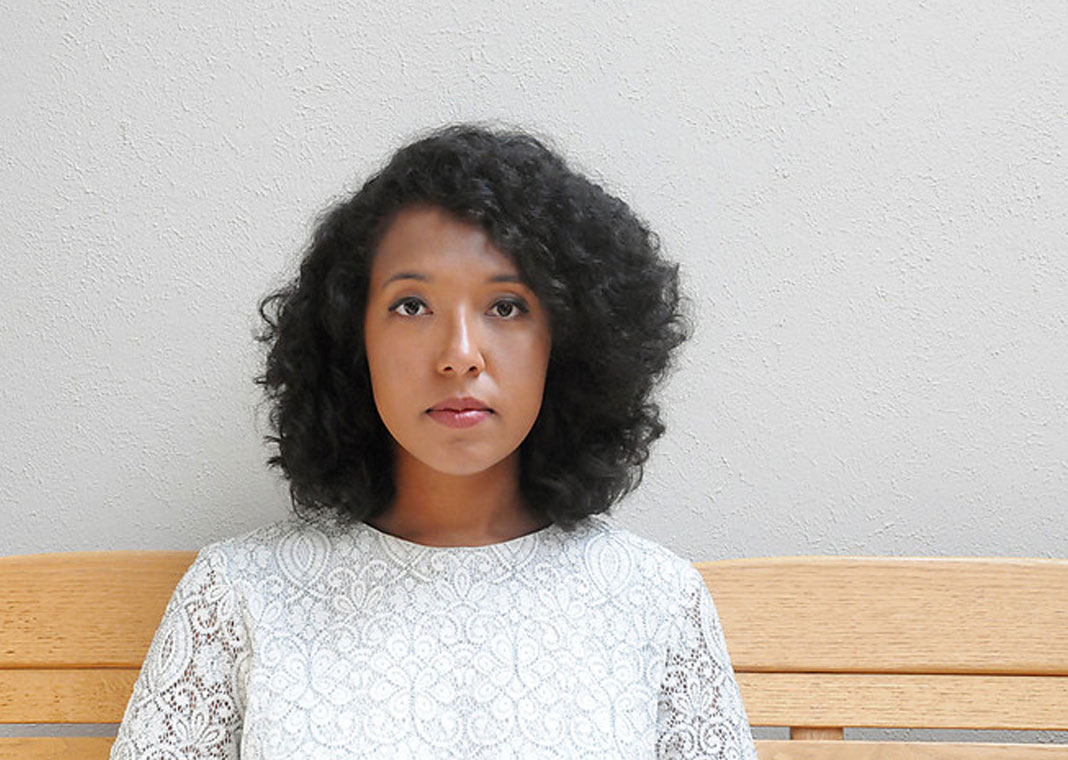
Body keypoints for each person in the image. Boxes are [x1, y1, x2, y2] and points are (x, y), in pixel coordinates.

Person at [110, 124, 757, 759]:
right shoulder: (239, 595)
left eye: (506, 306)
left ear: (568, 341)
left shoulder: (655, 602)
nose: (459, 357)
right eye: (411, 306)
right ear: (351, 339)